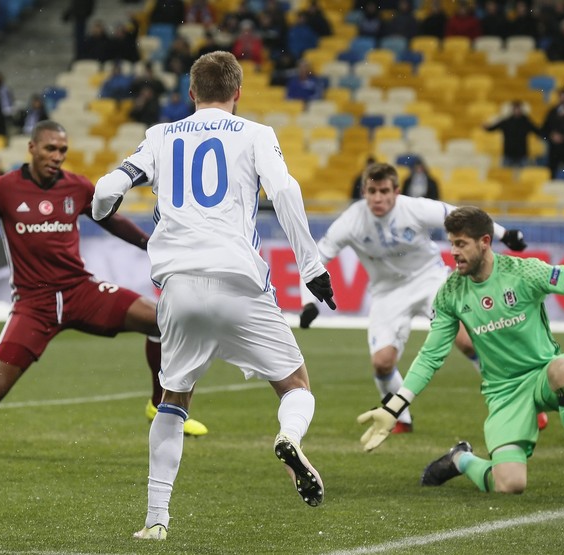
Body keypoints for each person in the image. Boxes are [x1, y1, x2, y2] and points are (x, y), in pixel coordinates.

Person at [91, 51, 337, 541]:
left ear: (190, 93)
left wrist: (103, 210)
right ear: (238, 93)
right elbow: (285, 192)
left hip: (178, 287)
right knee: (296, 387)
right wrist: (312, 268)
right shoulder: (255, 134)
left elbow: (106, 188)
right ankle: (288, 437)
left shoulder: (160, 137)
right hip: (238, 281)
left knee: (173, 401)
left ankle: (156, 520)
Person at [0, 120, 209, 455]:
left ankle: (158, 405)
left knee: (163, 320)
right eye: (50, 148)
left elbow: (112, 221)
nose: (57, 156)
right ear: (32, 148)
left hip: (80, 291)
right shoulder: (3, 188)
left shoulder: (77, 187)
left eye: (62, 150)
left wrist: (151, 244)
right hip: (34, 304)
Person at [357, 206, 564, 499]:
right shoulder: (450, 294)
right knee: (509, 485)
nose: (454, 252)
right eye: (451, 244)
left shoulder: (525, 273)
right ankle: (461, 459)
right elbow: (430, 357)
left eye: (461, 244)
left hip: (542, 376)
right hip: (504, 393)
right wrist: (394, 406)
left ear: (485, 242)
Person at [300, 162, 527, 433]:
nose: (378, 198)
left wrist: (504, 234)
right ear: (364, 191)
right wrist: (309, 302)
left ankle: (510, 401)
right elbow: (317, 256)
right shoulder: (351, 221)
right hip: (386, 293)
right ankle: (402, 420)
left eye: (384, 191)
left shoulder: (415, 208)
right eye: (372, 191)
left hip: (429, 280)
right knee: (382, 363)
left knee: (467, 340)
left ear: (397, 191)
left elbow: (463, 216)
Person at [484, 100, 541, 168]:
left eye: (518, 108)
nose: (517, 110)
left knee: (523, 174)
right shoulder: (506, 121)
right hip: (508, 153)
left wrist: (545, 133)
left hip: (522, 154)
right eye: (515, 108)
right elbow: (493, 128)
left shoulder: (526, 122)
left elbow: (537, 131)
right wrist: (487, 128)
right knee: (505, 174)